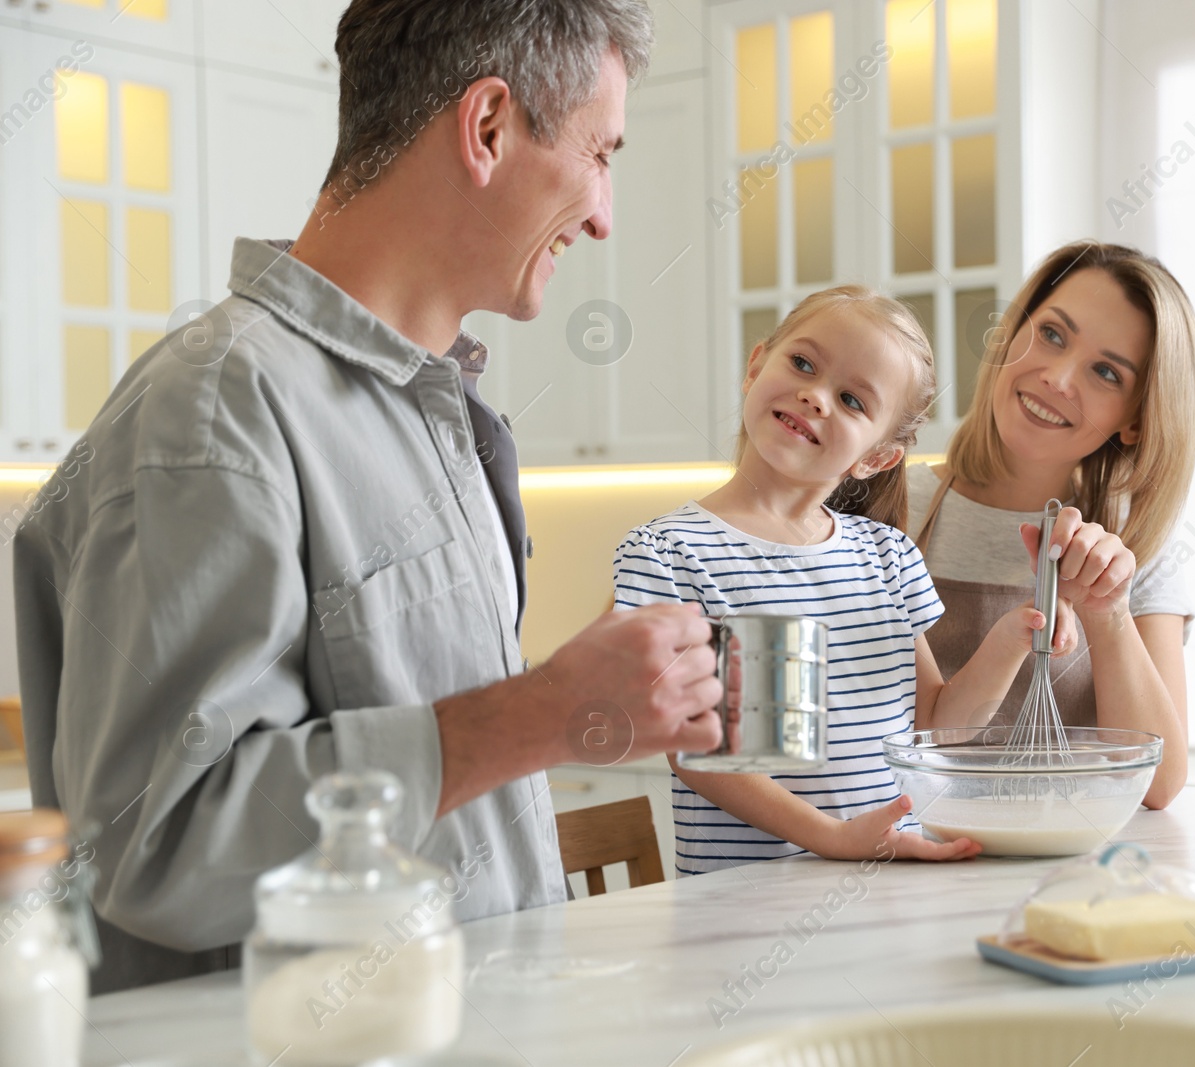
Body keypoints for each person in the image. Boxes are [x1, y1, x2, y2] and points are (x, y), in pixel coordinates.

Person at [12, 0, 722, 994]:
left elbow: (433, 754)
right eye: (600, 154)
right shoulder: (216, 411)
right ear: (486, 128)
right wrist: (545, 713)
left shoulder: (436, 411)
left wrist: (563, 700)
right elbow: (153, 843)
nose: (605, 213)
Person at [611, 286, 1078, 875]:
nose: (815, 395)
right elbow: (700, 751)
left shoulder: (887, 557)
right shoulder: (674, 554)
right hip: (742, 914)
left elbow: (935, 725)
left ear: (878, 456)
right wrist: (833, 837)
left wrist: (1017, 634)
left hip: (884, 891)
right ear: (756, 367)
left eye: (852, 400)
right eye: (802, 364)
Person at [907, 240, 1195, 809]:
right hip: (907, 865)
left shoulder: (1134, 544)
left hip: (1070, 879)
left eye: (1105, 372)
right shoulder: (894, 507)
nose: (1058, 378)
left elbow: (1159, 786)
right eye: (1051, 334)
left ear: (1136, 421)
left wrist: (1107, 612)